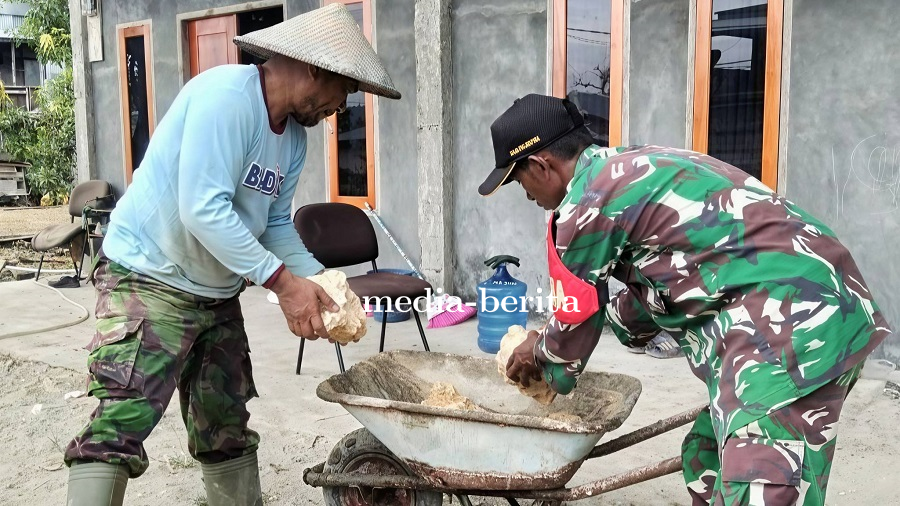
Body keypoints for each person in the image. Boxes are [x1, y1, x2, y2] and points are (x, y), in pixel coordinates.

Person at [480, 94, 892, 506]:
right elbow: (672, 269)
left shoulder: (585, 206)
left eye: (518, 181)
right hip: (817, 301)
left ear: (540, 164)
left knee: (759, 483)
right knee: (705, 453)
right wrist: (624, 325)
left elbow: (574, 321)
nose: (526, 194)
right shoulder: (629, 170)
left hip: (790, 328)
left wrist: (540, 355)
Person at [63, 5, 401, 505]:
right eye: (343, 91)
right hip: (151, 277)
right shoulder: (225, 98)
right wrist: (284, 286)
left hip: (215, 292)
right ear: (313, 68)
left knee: (225, 422)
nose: (340, 107)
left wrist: (319, 285)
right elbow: (201, 209)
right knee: (123, 419)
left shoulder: (294, 139)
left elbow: (276, 223)